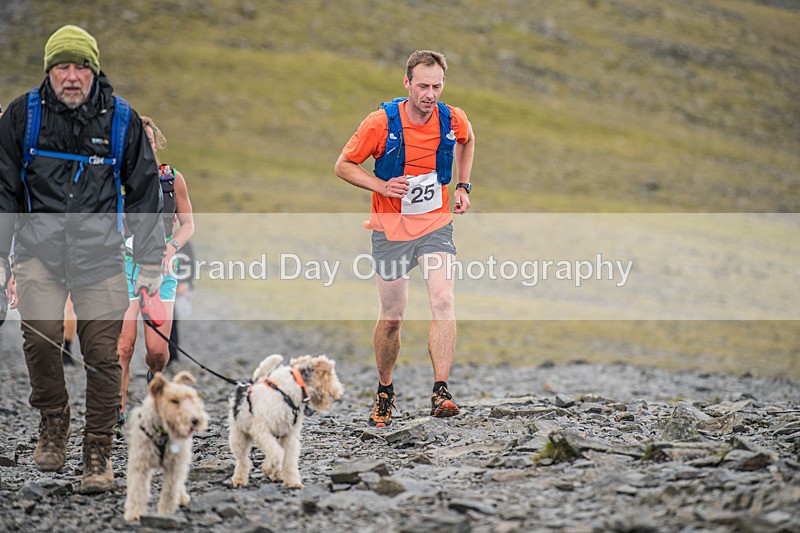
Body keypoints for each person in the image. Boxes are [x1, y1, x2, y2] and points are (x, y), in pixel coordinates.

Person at [0, 25, 165, 493]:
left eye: (80, 67)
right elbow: (4, 192)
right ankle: (54, 418)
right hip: (38, 252)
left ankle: (98, 449)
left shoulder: (121, 120)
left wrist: (150, 262)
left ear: (94, 70)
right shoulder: (22, 117)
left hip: (100, 257)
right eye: (62, 67)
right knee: (40, 340)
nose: (71, 76)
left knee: (101, 355)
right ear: (48, 71)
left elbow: (145, 192)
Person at [334, 50, 475, 428]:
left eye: (437, 86)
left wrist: (463, 186)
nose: (430, 94)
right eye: (423, 86)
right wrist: (381, 186)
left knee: (443, 300)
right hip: (390, 231)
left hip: (435, 225)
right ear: (407, 83)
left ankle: (441, 391)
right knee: (393, 317)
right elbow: (343, 165)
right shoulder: (380, 123)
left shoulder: (451, 118)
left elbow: (468, 139)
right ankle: (385, 390)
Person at [117, 116, 194, 424]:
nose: (143, 148)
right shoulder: (115, 179)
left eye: (147, 142)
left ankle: (155, 383)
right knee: (123, 347)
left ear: (156, 144)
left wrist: (172, 247)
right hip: (123, 266)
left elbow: (187, 225)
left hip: (162, 268)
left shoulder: (172, 179)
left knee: (158, 351)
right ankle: (117, 413)